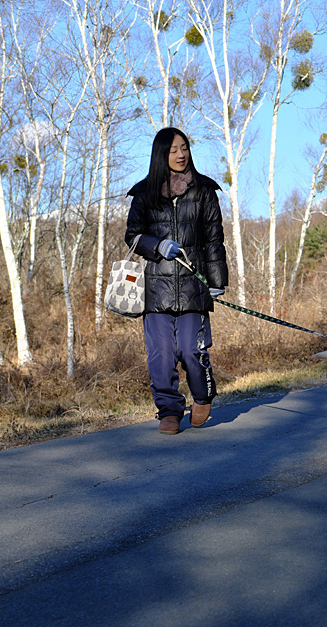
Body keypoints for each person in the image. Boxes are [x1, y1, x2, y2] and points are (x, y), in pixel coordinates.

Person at [124, 128, 229, 435]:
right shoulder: (144, 193)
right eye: (173, 150)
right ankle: (169, 410)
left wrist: (217, 280)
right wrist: (157, 245)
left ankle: (202, 396)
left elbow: (214, 239)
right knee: (160, 355)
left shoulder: (204, 190)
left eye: (184, 148)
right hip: (156, 290)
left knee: (191, 350)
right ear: (161, 154)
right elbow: (132, 235)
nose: (181, 154)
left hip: (194, 287)